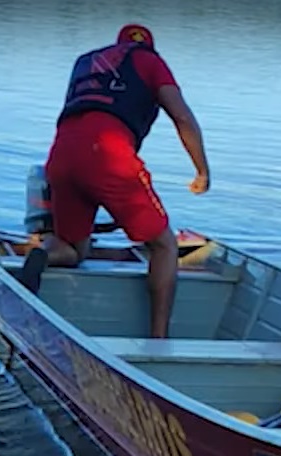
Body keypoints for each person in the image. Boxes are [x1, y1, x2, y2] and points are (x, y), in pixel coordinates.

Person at [20, 23, 211, 339]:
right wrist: (202, 171)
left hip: (61, 154)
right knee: (164, 244)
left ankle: (42, 254)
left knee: (74, 249)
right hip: (108, 154)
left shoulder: (85, 62)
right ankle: (159, 339)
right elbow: (183, 118)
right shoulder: (150, 60)